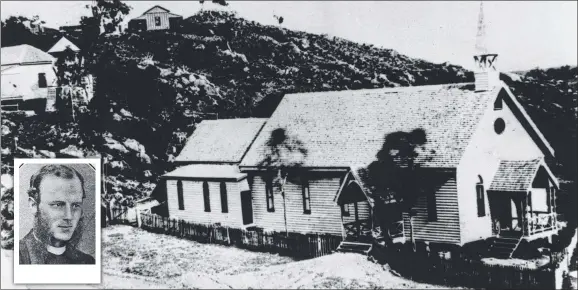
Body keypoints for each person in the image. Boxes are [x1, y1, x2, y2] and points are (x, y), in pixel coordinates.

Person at [19, 164, 95, 264]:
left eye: (75, 205)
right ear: (33, 205)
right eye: (58, 205)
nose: (69, 216)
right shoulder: (15, 257)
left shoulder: (87, 262)